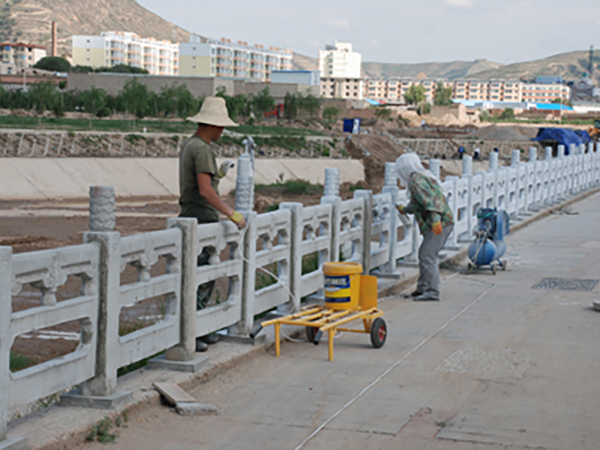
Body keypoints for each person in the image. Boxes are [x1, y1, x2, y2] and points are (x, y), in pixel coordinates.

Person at [179, 97, 246, 351]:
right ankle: (193, 332)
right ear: (214, 126)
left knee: (199, 275)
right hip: (201, 216)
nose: (223, 131)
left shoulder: (191, 145)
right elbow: (206, 191)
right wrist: (232, 214)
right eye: (221, 126)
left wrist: (217, 174)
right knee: (201, 277)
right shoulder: (202, 149)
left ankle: (200, 328)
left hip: (190, 213)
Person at [395, 153, 454, 302]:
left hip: (440, 222)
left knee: (428, 256)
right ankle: (422, 288)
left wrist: (435, 221)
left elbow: (431, 203)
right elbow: (418, 203)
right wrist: (405, 209)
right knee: (424, 254)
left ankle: (432, 291)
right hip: (443, 221)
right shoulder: (422, 177)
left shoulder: (417, 181)